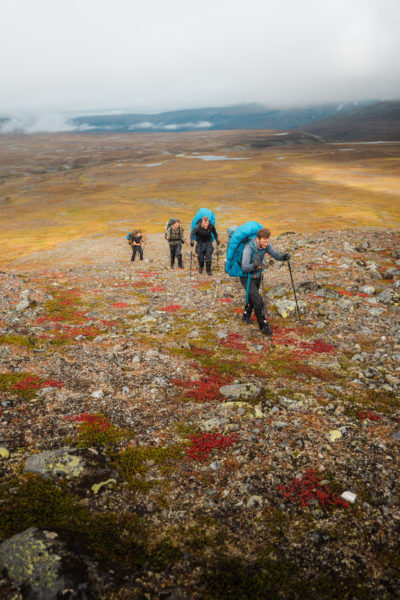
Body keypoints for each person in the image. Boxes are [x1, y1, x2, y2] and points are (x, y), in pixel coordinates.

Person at [241, 228, 290, 336]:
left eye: (267, 241)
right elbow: (244, 267)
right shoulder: (248, 248)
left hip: (257, 276)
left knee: (252, 297)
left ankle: (246, 315)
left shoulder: (266, 245)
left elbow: (275, 254)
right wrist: (254, 266)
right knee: (258, 301)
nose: (266, 244)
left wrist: (283, 257)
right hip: (247, 277)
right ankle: (263, 325)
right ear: (258, 239)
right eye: (264, 241)